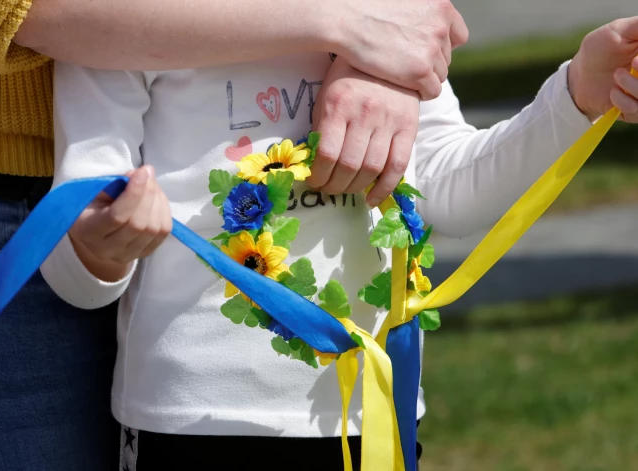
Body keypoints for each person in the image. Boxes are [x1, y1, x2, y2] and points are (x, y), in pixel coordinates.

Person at [40, 16, 638, 471]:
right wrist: (105, 246)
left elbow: (452, 192)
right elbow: (75, 250)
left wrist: (577, 92)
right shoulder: (119, 24)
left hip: (372, 413)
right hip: (193, 421)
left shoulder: (392, 20)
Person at [0, 1, 467, 470]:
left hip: (363, 410)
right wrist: (353, 23)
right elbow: (18, 13)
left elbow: (450, 177)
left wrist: (380, 47)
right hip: (175, 401)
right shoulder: (110, 67)